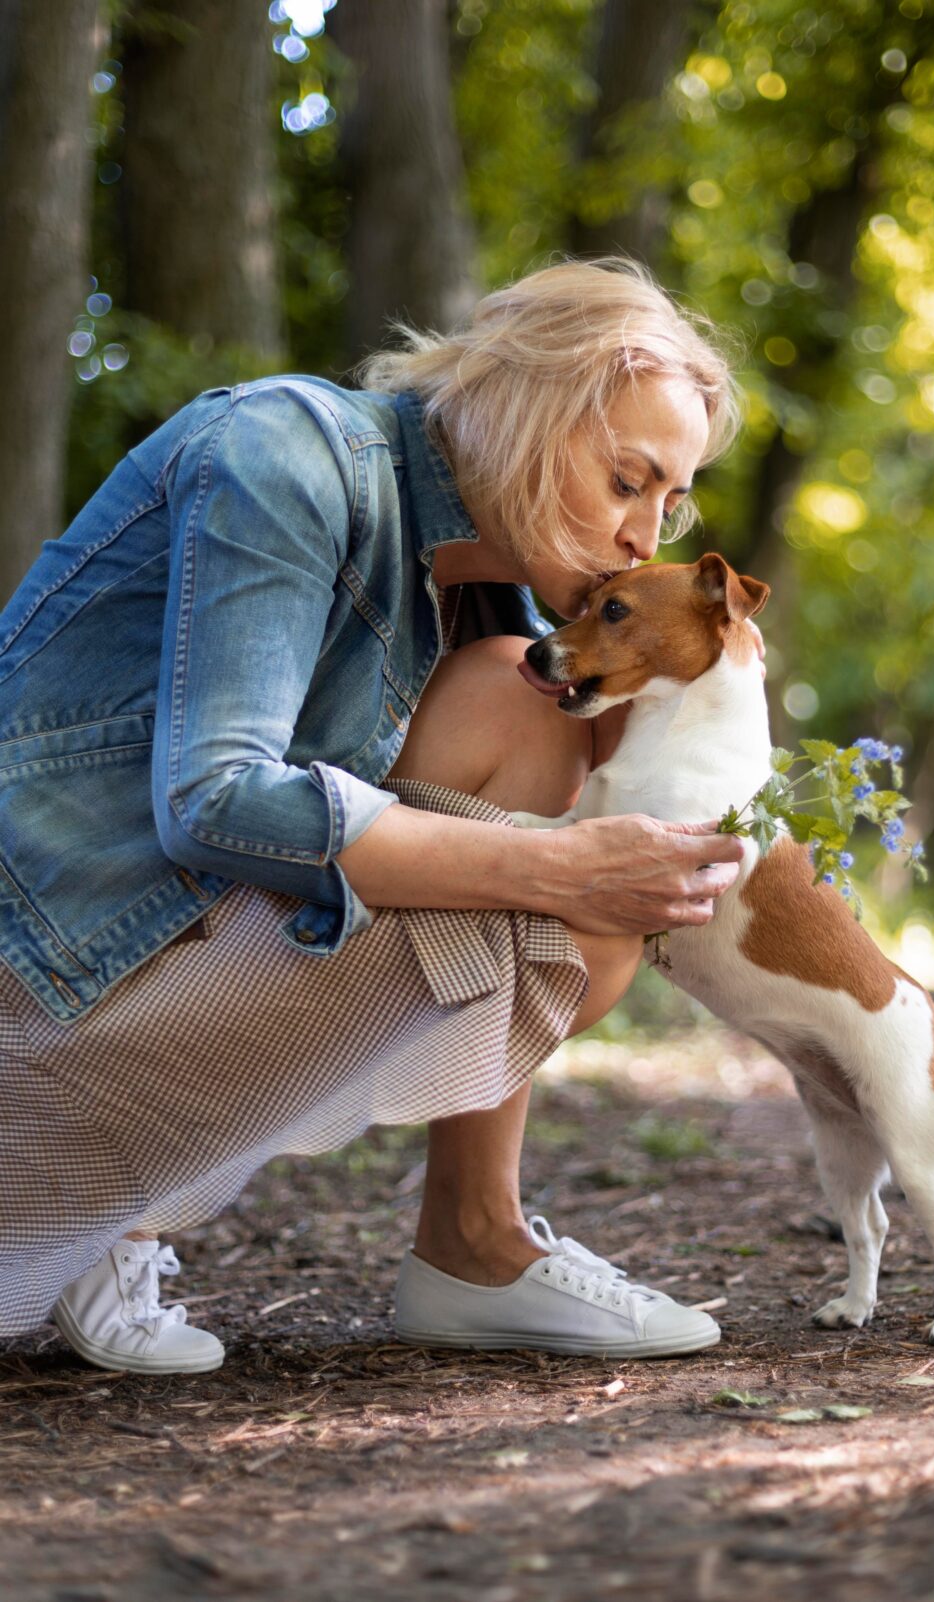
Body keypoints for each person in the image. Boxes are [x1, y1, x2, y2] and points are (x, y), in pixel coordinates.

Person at [0, 258, 748, 1374]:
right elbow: (214, 800)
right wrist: (550, 865)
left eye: (669, 503)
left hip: (150, 948)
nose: (645, 535)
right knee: (558, 875)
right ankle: (120, 1205)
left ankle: (472, 1242)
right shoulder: (288, 452)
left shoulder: (488, 594)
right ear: (525, 412)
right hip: (48, 946)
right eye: (627, 480)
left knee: (546, 759)